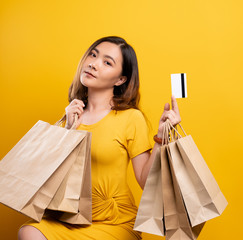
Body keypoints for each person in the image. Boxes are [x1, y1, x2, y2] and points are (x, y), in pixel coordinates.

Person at [17, 36, 181, 240]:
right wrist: (67, 132)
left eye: (107, 62)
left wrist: (162, 137)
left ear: (120, 79)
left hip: (115, 221)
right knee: (29, 232)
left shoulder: (131, 117)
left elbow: (145, 181)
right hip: (70, 216)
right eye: (93, 55)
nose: (93, 64)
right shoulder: (69, 117)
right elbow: (44, 180)